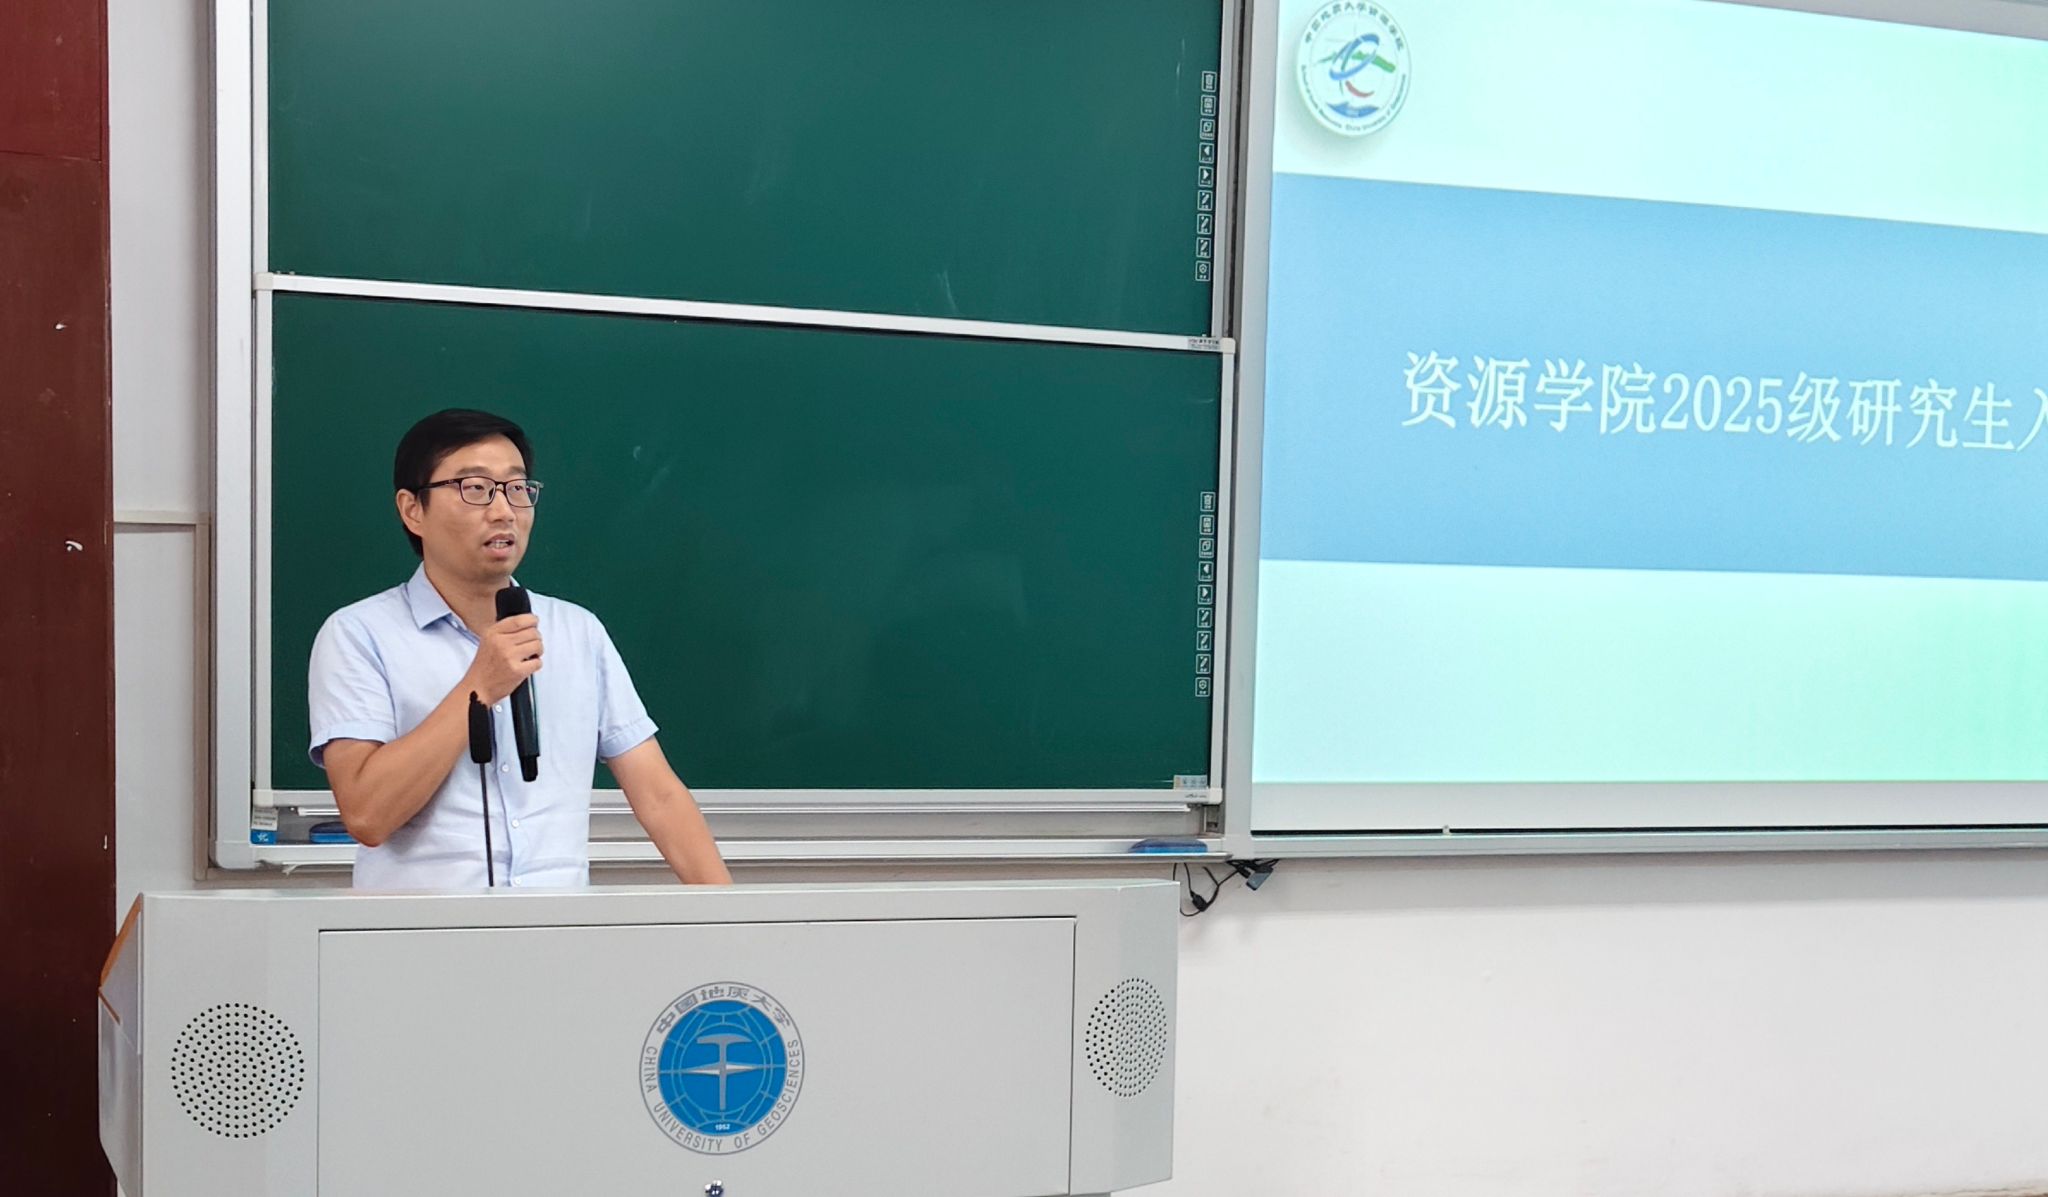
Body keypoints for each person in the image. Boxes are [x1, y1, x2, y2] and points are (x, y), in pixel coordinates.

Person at [307, 408, 731, 888]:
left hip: (556, 928)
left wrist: (732, 917)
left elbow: (659, 796)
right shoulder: (359, 634)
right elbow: (367, 815)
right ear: (412, 510)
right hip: (424, 931)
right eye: (475, 488)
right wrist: (479, 686)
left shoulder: (577, 631)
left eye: (517, 488)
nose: (503, 511)